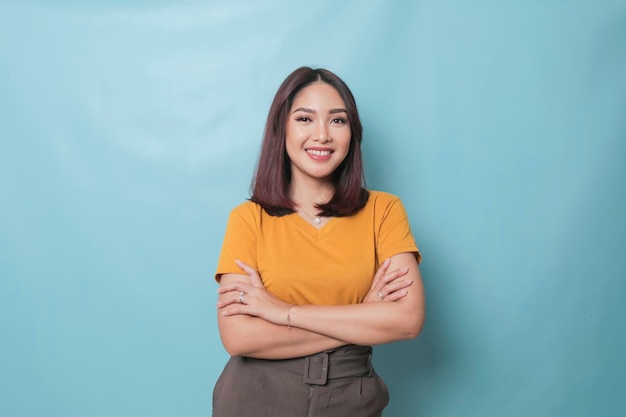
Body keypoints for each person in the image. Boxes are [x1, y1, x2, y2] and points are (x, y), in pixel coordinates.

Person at [213, 66, 425, 417]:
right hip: (256, 394)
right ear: (281, 129)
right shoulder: (248, 219)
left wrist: (284, 313)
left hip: (351, 395)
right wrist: (361, 318)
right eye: (305, 119)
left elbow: (407, 319)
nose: (322, 135)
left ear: (352, 133)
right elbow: (239, 337)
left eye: (337, 121)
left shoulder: (383, 211)